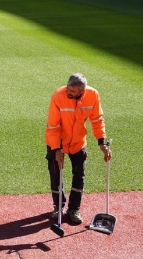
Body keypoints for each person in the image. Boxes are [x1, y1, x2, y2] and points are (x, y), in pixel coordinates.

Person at [45, 73, 112, 225]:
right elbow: (53, 125)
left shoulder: (93, 95)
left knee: (79, 174)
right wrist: (56, 149)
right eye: (68, 89)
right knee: (56, 173)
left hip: (78, 141)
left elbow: (97, 120)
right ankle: (58, 207)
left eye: (73, 91)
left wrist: (102, 143)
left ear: (82, 91)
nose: (68, 92)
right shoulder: (58, 95)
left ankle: (74, 209)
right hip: (57, 141)